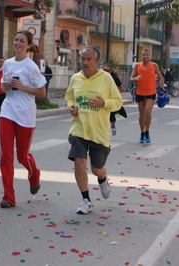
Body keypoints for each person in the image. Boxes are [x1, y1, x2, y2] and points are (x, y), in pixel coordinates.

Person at [65, 46, 122, 215]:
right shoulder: (75, 78)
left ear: (97, 61)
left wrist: (103, 103)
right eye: (83, 59)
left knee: (97, 169)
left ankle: (103, 179)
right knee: (79, 162)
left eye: (89, 59)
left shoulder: (106, 78)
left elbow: (118, 102)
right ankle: (86, 200)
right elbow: (69, 97)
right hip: (79, 129)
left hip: (98, 133)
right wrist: (71, 106)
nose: (85, 62)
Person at [0, 30, 47, 208]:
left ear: (28, 45)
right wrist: (4, 87)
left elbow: (42, 92)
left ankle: (34, 175)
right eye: (16, 39)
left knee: (21, 157)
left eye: (21, 40)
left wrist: (24, 87)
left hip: (25, 115)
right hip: (7, 111)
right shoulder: (8, 64)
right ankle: (8, 197)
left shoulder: (30, 66)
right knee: (5, 156)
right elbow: (5, 87)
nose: (17, 43)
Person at [130, 49, 164, 143]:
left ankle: (147, 132)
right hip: (140, 93)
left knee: (147, 111)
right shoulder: (137, 66)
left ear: (150, 56)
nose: (145, 56)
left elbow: (161, 77)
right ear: (142, 56)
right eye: (144, 55)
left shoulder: (154, 65)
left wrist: (161, 87)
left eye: (147, 55)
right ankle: (142, 133)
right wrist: (136, 78)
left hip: (151, 93)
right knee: (141, 114)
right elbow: (131, 79)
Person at [102, 63, 127, 135]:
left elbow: (122, 88)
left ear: (111, 71)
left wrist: (115, 93)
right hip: (102, 100)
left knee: (111, 116)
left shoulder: (114, 78)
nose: (106, 72)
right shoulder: (99, 77)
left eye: (108, 71)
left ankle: (113, 126)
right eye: (104, 70)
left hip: (111, 100)